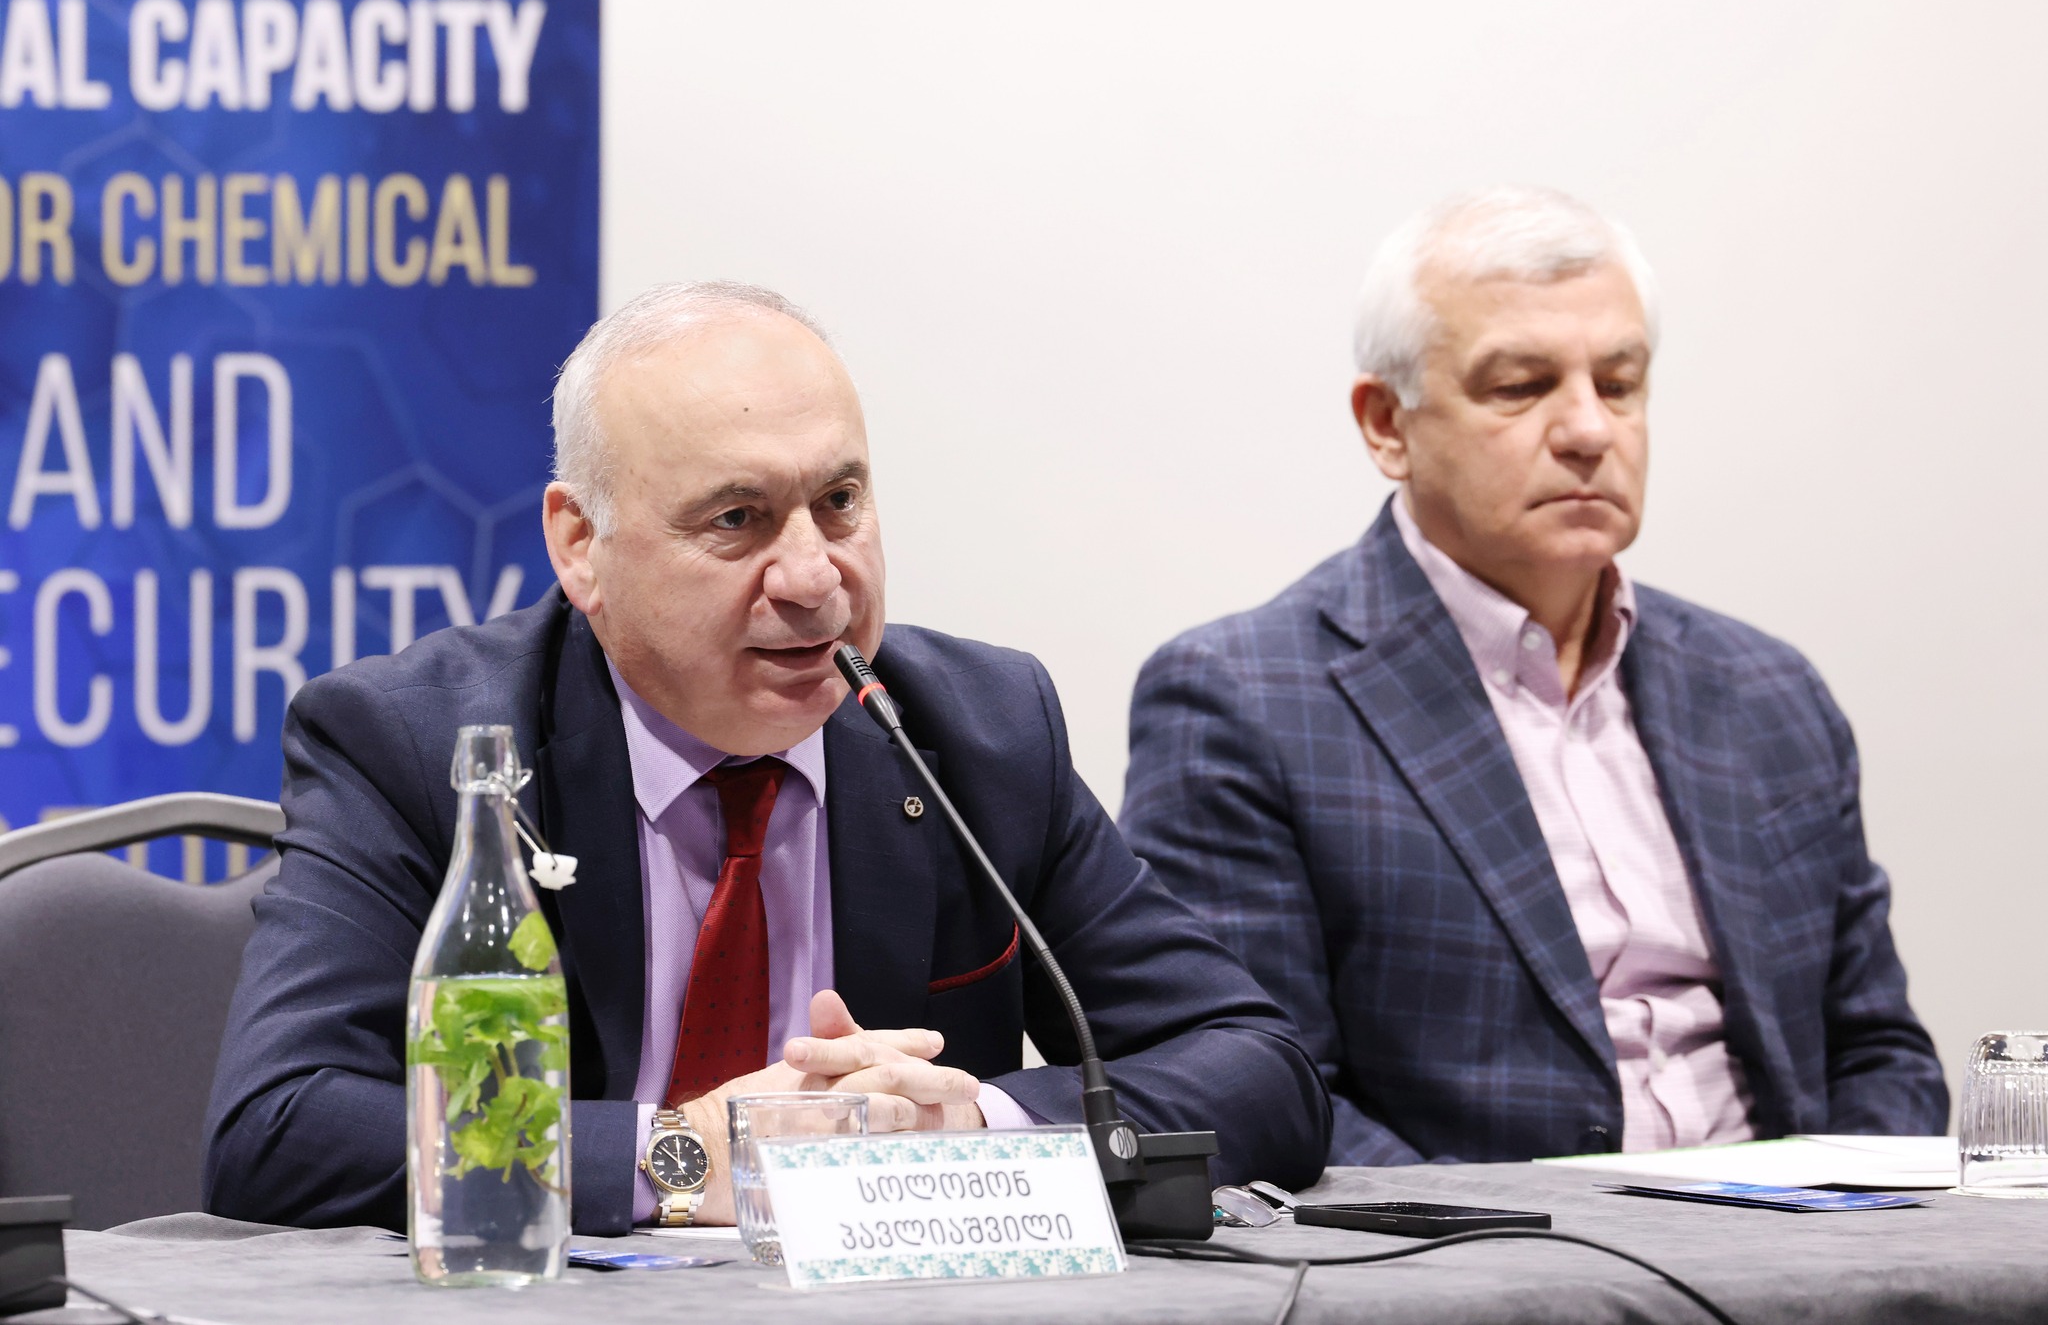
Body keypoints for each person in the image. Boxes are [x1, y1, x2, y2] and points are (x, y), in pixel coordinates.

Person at [204, 283, 1328, 1234]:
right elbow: (282, 1128)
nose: (813, 578)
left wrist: (974, 1128)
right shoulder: (421, 746)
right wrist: (686, 1154)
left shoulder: (978, 730)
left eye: (838, 502)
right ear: (580, 545)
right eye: (736, 519)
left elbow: (1254, 1063)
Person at [1120, 187, 1947, 1166]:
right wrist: (1531, 1244)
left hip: (1800, 1237)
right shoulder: (1242, 700)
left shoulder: (1767, 690)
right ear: (1386, 423)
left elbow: (1878, 1053)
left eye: (1619, 383)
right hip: (1492, 1245)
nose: (1588, 429)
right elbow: (1265, 1091)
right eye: (1521, 386)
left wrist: (1850, 1221)